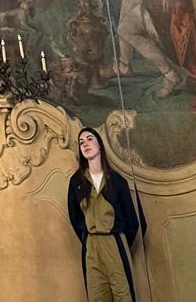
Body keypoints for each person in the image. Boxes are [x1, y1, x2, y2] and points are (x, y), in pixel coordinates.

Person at [66, 127, 144, 302]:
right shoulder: (76, 181)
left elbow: (132, 221)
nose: (85, 144)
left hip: (115, 241)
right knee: (96, 296)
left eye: (89, 139)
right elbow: (75, 217)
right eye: (81, 142)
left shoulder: (117, 181)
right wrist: (89, 237)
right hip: (91, 245)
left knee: (123, 294)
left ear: (100, 145)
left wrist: (120, 240)